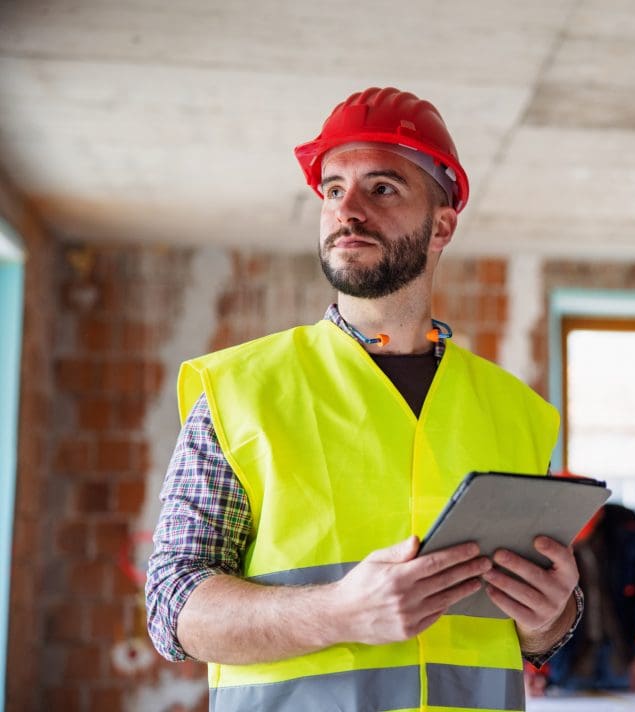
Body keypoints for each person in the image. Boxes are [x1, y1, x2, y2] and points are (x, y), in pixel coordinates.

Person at [146, 87, 582, 712]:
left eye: (382, 188)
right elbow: (170, 604)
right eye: (332, 189)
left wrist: (551, 615)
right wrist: (339, 613)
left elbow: (535, 629)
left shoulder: (518, 413)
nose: (347, 209)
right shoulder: (239, 391)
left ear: (442, 225)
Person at [528, 501, 635, 694]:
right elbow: (535, 608)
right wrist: (536, 665)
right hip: (569, 662)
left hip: (621, 656)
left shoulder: (627, 528)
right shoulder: (538, 538)